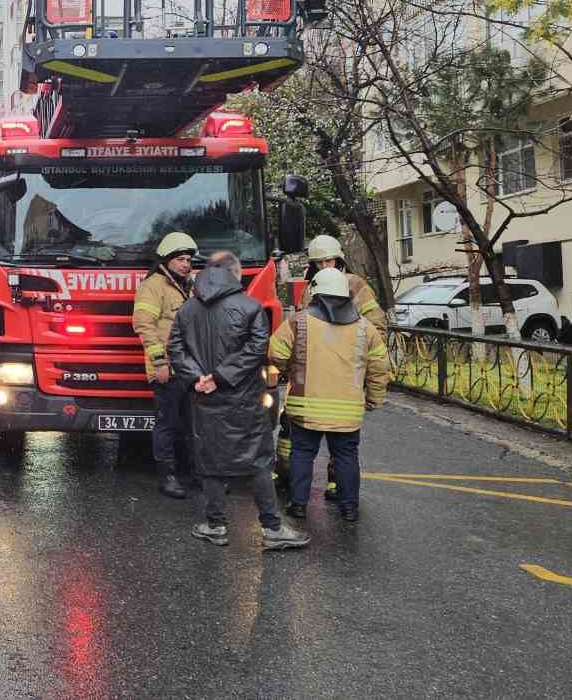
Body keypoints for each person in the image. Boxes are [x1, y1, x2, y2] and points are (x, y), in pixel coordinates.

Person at [169, 252, 309, 551]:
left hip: (204, 399)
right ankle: (272, 528)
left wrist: (198, 379)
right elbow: (258, 347)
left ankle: (215, 525)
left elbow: (175, 348)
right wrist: (221, 376)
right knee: (257, 461)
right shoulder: (250, 307)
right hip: (243, 398)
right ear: (235, 274)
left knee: (211, 462)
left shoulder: (187, 310)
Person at [269, 267, 389, 523]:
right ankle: (349, 508)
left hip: (305, 407)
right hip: (347, 412)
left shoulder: (298, 321)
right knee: (346, 457)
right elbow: (379, 365)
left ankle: (298, 505)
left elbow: (276, 353)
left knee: (302, 453)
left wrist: (288, 370)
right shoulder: (365, 328)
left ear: (316, 292)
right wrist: (374, 398)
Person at [289, 234, 384, 501]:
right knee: (329, 436)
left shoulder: (356, 285)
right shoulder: (311, 287)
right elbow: (299, 327)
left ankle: (332, 486)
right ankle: (301, 485)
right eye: (318, 262)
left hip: (345, 368)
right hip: (316, 370)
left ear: (339, 259)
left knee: (337, 439)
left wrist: (360, 358)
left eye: (328, 260)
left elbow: (376, 324)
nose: (324, 266)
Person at [132, 232, 198, 499]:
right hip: (167, 369)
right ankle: (168, 477)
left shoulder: (187, 286)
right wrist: (159, 362)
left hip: (189, 368)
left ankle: (198, 475)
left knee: (194, 425)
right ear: (168, 260)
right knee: (167, 424)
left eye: (189, 259)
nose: (186, 264)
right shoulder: (154, 286)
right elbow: (144, 325)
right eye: (181, 259)